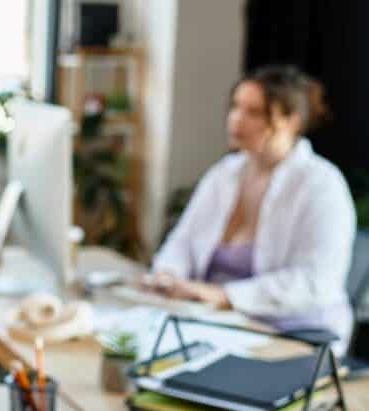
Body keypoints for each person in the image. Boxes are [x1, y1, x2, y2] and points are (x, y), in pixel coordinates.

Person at [145, 65, 356, 352]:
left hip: (292, 333)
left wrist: (224, 296)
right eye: (235, 107)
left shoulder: (322, 184)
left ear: (291, 121)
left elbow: (314, 281)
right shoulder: (225, 173)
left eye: (253, 112)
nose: (236, 120)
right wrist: (167, 275)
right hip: (220, 323)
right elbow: (183, 241)